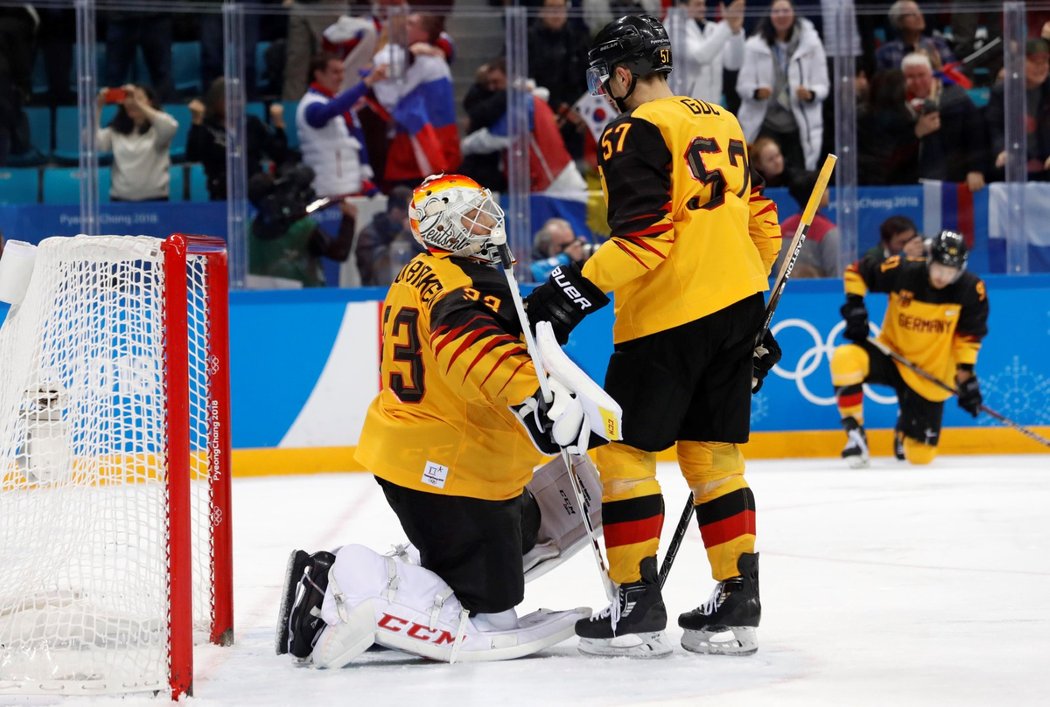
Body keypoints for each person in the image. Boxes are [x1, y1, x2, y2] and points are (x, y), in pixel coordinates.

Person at [525, 15, 783, 658]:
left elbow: (645, 241)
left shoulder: (632, 132)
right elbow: (765, 226)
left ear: (620, 74)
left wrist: (569, 292)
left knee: (624, 456)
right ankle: (737, 601)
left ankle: (635, 607)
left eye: (604, 77)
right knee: (714, 456)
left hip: (667, 318)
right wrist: (754, 314)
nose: (603, 90)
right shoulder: (722, 119)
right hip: (737, 309)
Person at [276, 173, 592, 665]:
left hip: (434, 454)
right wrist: (537, 398)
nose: (489, 220)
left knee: (524, 534)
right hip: (449, 466)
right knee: (493, 619)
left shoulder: (435, 270)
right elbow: (471, 347)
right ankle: (332, 582)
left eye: (486, 210)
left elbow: (489, 330)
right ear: (444, 229)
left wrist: (541, 316)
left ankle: (422, 579)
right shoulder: (456, 280)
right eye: (472, 216)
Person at [829, 230, 988, 467]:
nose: (942, 277)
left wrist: (966, 378)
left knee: (920, 457)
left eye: (950, 272)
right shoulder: (905, 271)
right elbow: (856, 271)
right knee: (845, 357)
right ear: (930, 259)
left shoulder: (971, 290)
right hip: (891, 356)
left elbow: (969, 337)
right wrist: (855, 306)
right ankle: (855, 434)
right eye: (938, 269)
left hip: (929, 375)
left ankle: (905, 427)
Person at [736, 0, 828, 171]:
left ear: (794, 13)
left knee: (801, 174)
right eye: (776, 11)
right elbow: (742, 86)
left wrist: (811, 93)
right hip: (766, 121)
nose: (781, 16)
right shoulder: (754, 46)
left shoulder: (812, 45)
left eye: (785, 11)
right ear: (769, 15)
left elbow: (823, 85)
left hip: (799, 121)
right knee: (763, 170)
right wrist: (756, 92)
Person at [247, 166, 356, 288]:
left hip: (258, 301)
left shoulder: (247, 229)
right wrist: (349, 219)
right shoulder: (302, 228)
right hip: (304, 300)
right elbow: (340, 253)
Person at [296, 52, 384, 200]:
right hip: (326, 190)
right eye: (335, 72)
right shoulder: (310, 105)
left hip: (351, 185)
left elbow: (357, 138)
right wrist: (366, 83)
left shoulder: (340, 102)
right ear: (318, 74)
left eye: (343, 72)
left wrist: (364, 175)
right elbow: (331, 110)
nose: (341, 77)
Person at [187, 78, 290, 201]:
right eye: (229, 99)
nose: (235, 103)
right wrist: (196, 123)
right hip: (221, 193)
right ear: (216, 101)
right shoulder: (208, 127)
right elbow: (193, 155)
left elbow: (279, 154)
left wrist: (279, 126)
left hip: (254, 191)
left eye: (238, 98)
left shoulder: (252, 123)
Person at [96, 85, 178, 202]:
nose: (131, 102)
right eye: (127, 98)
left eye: (138, 97)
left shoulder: (157, 130)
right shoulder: (115, 131)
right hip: (120, 201)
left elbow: (171, 126)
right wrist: (97, 106)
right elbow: (93, 143)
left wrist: (138, 104)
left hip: (155, 200)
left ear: (149, 102)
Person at [986, 38, 1050, 182]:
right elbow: (994, 127)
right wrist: (1002, 150)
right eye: (1035, 62)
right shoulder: (1002, 92)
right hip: (1013, 170)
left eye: (1044, 62)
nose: (1041, 67)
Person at [661, 0, 745, 105]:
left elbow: (733, 64)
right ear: (681, 6)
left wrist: (736, 32)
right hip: (684, 109)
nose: (703, 9)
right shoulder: (672, 28)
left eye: (703, 4)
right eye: (697, 5)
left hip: (713, 108)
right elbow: (699, 57)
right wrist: (727, 26)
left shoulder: (713, 28)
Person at [772, 169, 840, 278]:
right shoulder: (828, 232)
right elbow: (836, 274)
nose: (828, 191)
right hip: (820, 293)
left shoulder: (782, 228)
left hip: (786, 293)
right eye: (825, 188)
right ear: (817, 194)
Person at [354, 185, 423, 286]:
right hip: (377, 293)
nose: (414, 218)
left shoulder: (415, 233)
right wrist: (405, 235)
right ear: (396, 212)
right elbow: (379, 268)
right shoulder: (369, 234)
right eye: (411, 213)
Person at [874, 0, 956, 73]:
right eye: (911, 14)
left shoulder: (938, 45)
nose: (918, 16)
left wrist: (939, 69)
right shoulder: (886, 52)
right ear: (898, 22)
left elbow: (957, 75)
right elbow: (881, 84)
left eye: (919, 11)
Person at [529, 217, 588, 281]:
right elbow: (536, 275)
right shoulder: (531, 260)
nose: (571, 248)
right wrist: (567, 257)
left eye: (572, 243)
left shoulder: (574, 259)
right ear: (545, 246)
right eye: (564, 245)